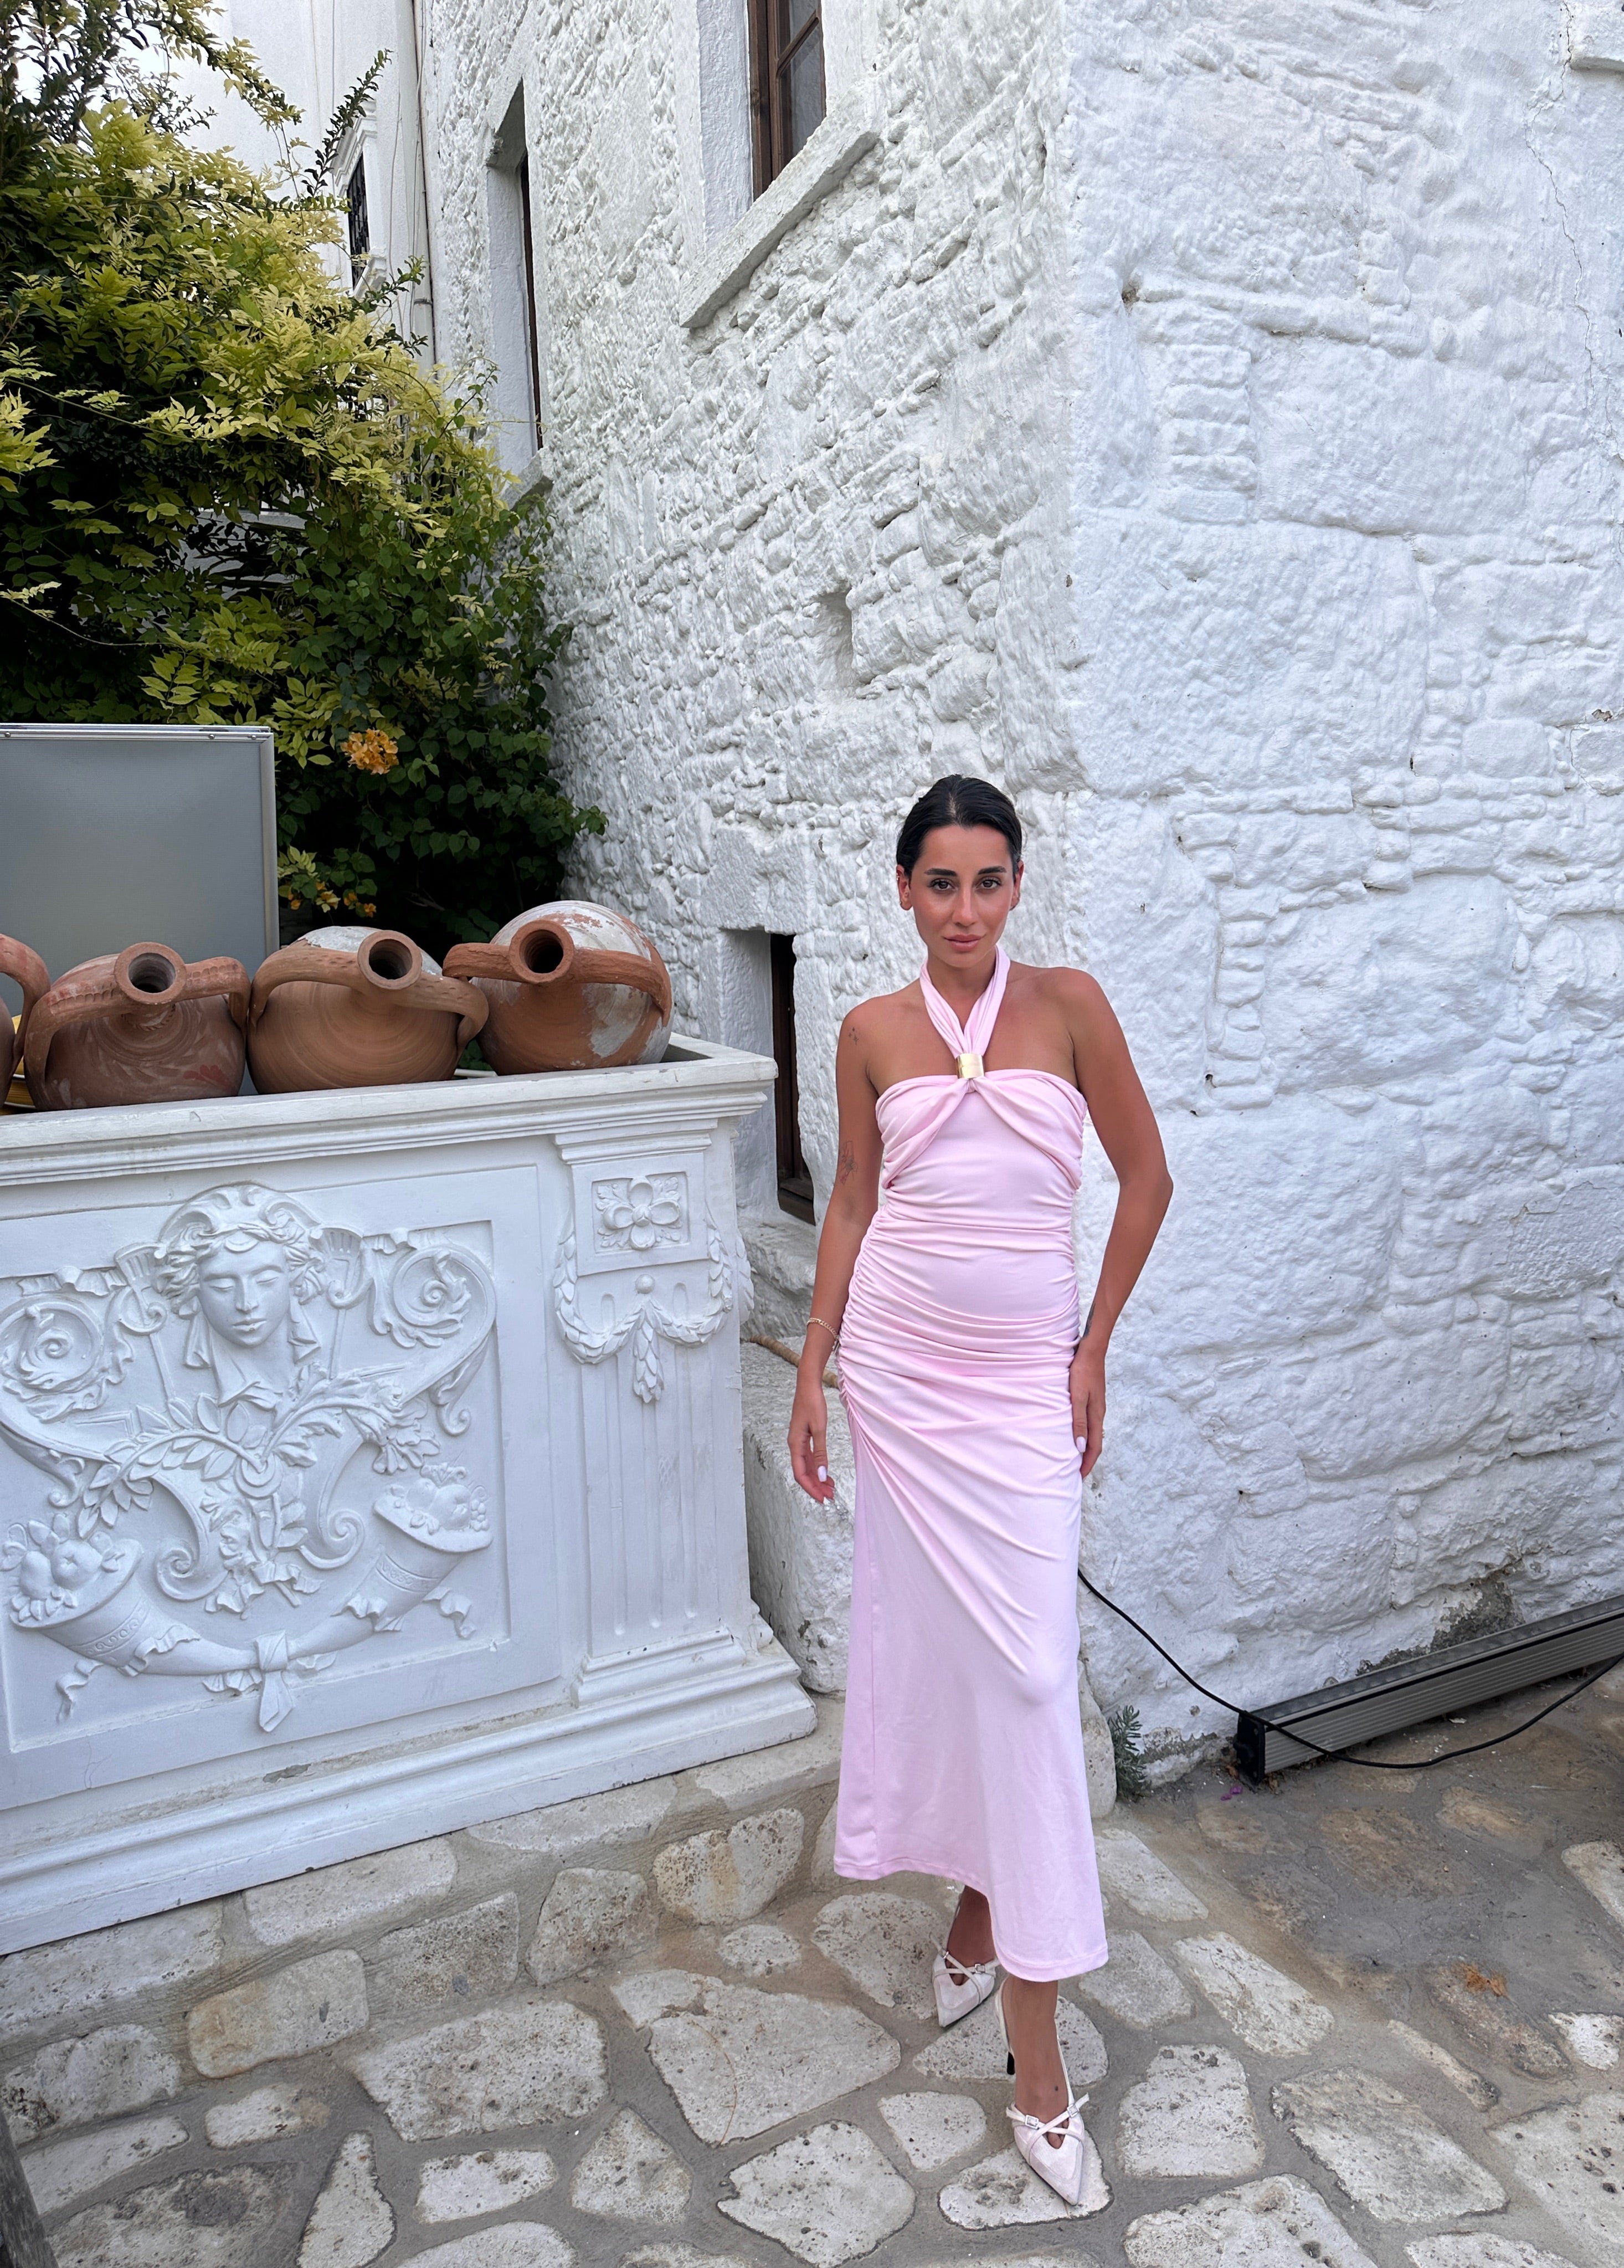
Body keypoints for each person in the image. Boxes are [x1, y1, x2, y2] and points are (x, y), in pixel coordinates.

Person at [788, 775, 1173, 2210]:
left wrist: (1092, 1348)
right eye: (940, 884)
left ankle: (998, 1950)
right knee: (955, 1666)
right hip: (899, 1385)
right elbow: (853, 1199)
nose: (965, 911)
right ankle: (1024, 2027)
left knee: (1028, 1674)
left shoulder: (1069, 1007)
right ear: (903, 889)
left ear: (1017, 885)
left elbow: (1146, 1179)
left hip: (1017, 1392)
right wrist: (815, 1361)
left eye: (988, 881)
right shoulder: (868, 1031)